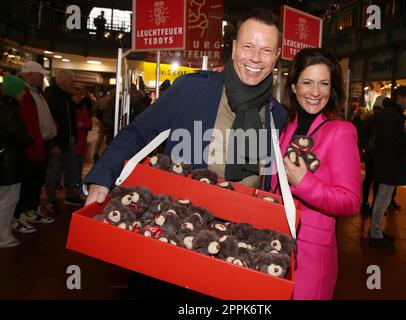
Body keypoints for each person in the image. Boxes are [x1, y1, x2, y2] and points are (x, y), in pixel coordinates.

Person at [83, 9, 286, 206]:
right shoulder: (193, 88)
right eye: (248, 46)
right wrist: (103, 174)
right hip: (183, 218)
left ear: (276, 56)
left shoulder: (275, 113)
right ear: (234, 48)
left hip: (244, 222)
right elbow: (139, 131)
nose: (256, 57)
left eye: (266, 50)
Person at [271, 48, 361, 300]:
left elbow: (351, 200)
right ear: (293, 86)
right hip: (277, 243)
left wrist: (304, 183)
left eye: (324, 84)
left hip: (311, 254)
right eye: (307, 82)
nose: (315, 92)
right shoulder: (286, 126)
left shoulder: (341, 131)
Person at [369, 86, 406, 251]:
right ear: (399, 97)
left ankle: (377, 230)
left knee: (384, 197)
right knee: (383, 198)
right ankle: (375, 233)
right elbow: (393, 139)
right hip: (389, 163)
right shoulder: (392, 114)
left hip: (387, 162)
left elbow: (391, 135)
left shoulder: (390, 113)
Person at [12, 61, 56, 233]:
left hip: (40, 144)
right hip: (31, 147)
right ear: (30, 74)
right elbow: (27, 123)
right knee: (27, 183)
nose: (42, 77)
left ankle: (30, 210)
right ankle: (19, 215)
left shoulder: (36, 93)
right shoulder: (24, 94)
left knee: (36, 182)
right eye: (40, 74)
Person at [44, 69, 84, 213]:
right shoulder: (52, 96)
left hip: (68, 140)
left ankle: (71, 195)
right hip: (58, 141)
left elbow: (69, 119)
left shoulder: (66, 97)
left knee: (70, 169)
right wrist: (53, 143)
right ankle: (51, 199)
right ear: (64, 81)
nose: (73, 83)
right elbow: (50, 121)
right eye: (72, 80)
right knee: (54, 171)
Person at [0, 75, 32, 247]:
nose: (23, 93)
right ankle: (3, 236)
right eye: (21, 90)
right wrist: (29, 138)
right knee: (8, 201)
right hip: (9, 162)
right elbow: (16, 135)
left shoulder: (5, 106)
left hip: (5, 161)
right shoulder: (10, 109)